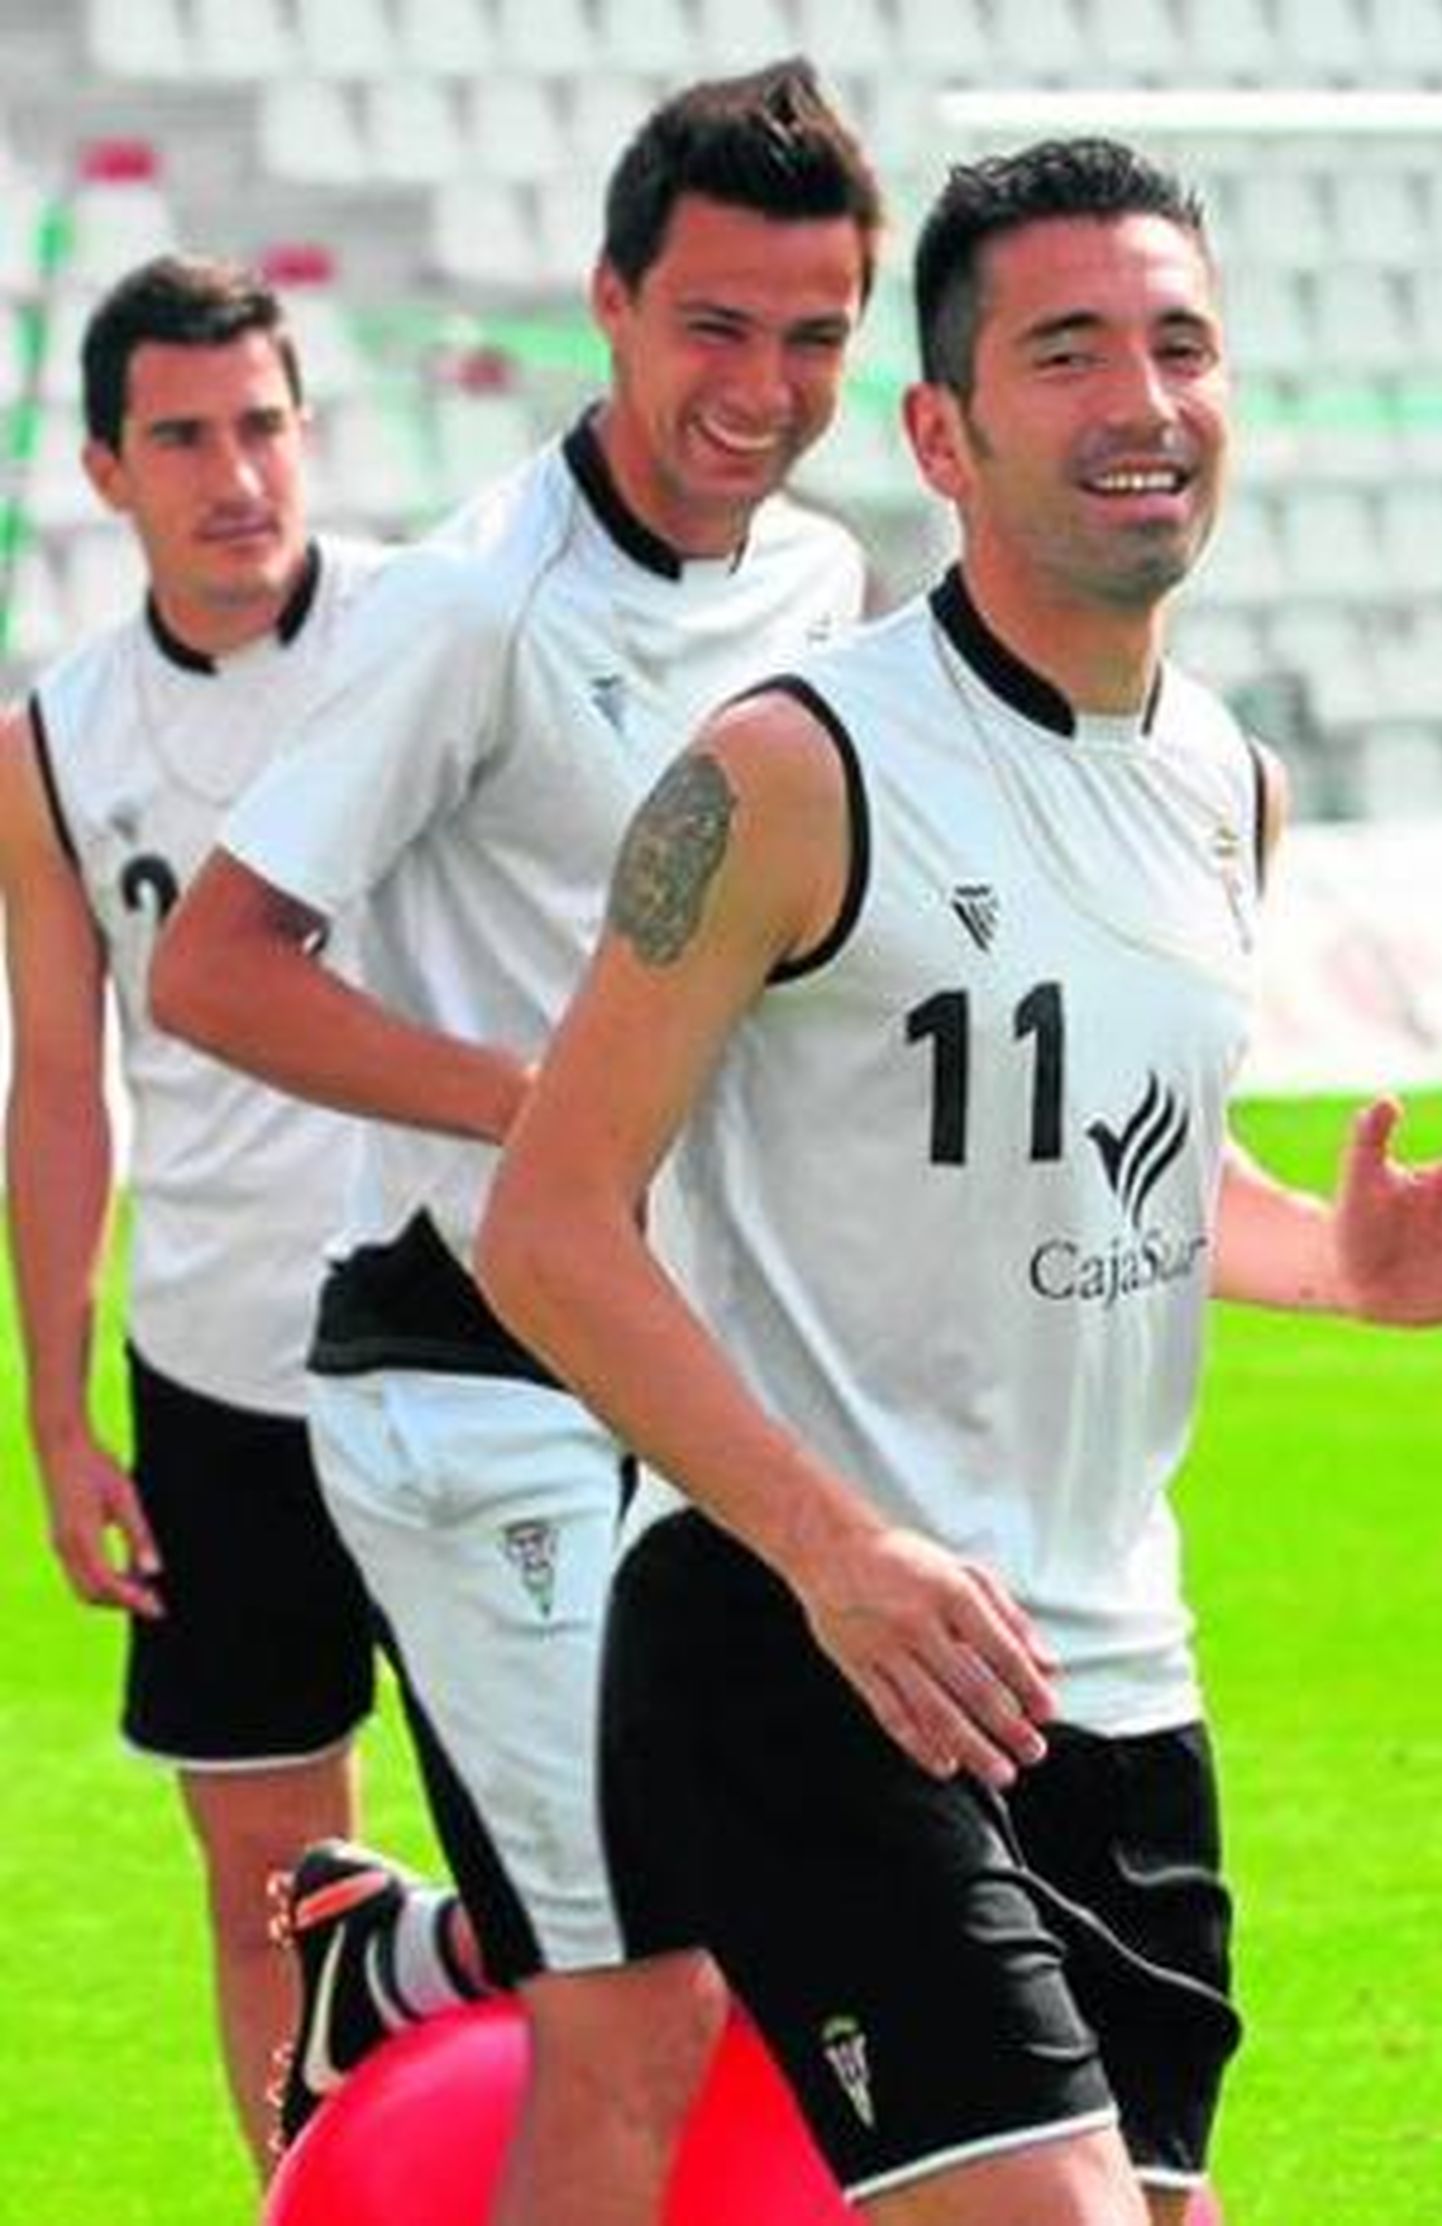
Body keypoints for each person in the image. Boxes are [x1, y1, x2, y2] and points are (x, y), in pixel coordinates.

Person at [473, 137, 1442, 2226]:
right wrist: (831, 1549)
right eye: (1064, 353)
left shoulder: (1224, 783)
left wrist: (1336, 1265)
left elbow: (1118, 1165)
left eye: (1179, 345)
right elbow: (547, 1222)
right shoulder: (784, 772)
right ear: (940, 433)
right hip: (802, 1630)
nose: (1140, 402)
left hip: (1109, 1684)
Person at [150, 59, 885, 2223]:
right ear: (609, 307)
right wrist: (543, 1107)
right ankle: (443, 1960)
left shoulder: (827, 577)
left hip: (705, 1375)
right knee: (634, 2014)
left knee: (804, 1919)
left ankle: (392, 1954)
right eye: (715, 326)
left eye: (816, 334)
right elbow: (212, 969)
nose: (761, 386)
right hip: (470, 1378)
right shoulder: (466, 607)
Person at [0, 255, 403, 2180]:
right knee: (264, 1868)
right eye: (183, 435)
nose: (235, 471)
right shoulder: (55, 744)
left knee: (573, 1829)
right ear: (104, 469)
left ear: (306, 433)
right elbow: (64, 1087)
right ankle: (307, 2200)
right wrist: (62, 1415)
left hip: (479, 1336)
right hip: (221, 1378)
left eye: (263, 423)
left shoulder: (429, 637)